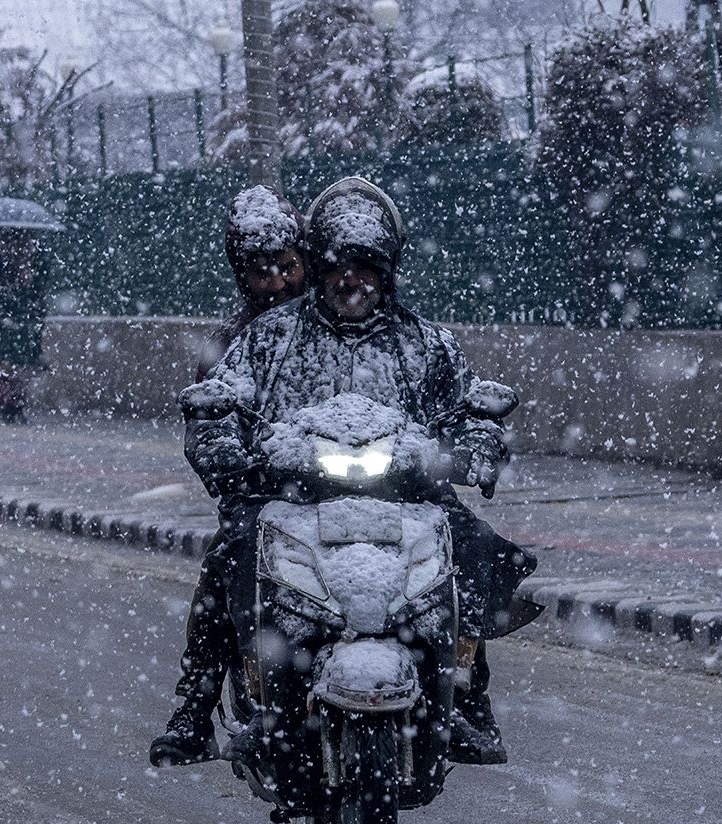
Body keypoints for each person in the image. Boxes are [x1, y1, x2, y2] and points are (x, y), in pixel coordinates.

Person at [168, 177, 538, 767]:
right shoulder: (268, 338)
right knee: (231, 553)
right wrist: (220, 443)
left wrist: (477, 442)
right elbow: (220, 399)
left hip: (407, 497)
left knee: (471, 549)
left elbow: (470, 405)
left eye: (367, 266)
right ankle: (197, 702)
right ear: (319, 266)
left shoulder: (427, 344)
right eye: (339, 265)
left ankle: (466, 694)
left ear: (388, 270)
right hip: (288, 497)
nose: (351, 279)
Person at [150, 186, 309, 767]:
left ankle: (463, 690)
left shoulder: (349, 328)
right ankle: (194, 708)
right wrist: (231, 466)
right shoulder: (230, 345)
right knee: (226, 567)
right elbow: (205, 423)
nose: (278, 284)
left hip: (363, 493)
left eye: (288, 267)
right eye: (261, 272)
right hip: (269, 502)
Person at [0, 229, 51, 424]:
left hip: (21, 321)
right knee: (2, 367)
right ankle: (6, 406)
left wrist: (29, 279)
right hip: (2, 320)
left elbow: (39, 291)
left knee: (20, 368)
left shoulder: (34, 259)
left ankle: (15, 405)